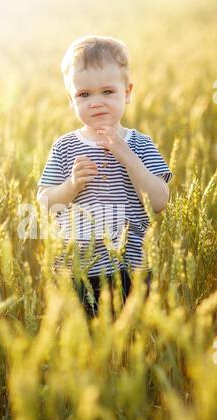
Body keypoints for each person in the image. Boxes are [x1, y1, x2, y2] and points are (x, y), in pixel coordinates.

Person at [37, 35, 173, 318]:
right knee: (87, 345)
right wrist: (70, 186)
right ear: (70, 100)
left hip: (133, 269)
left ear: (127, 92)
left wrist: (126, 155)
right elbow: (46, 203)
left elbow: (160, 201)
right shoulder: (64, 147)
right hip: (80, 271)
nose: (96, 102)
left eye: (107, 92)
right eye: (84, 95)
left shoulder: (139, 144)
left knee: (131, 344)